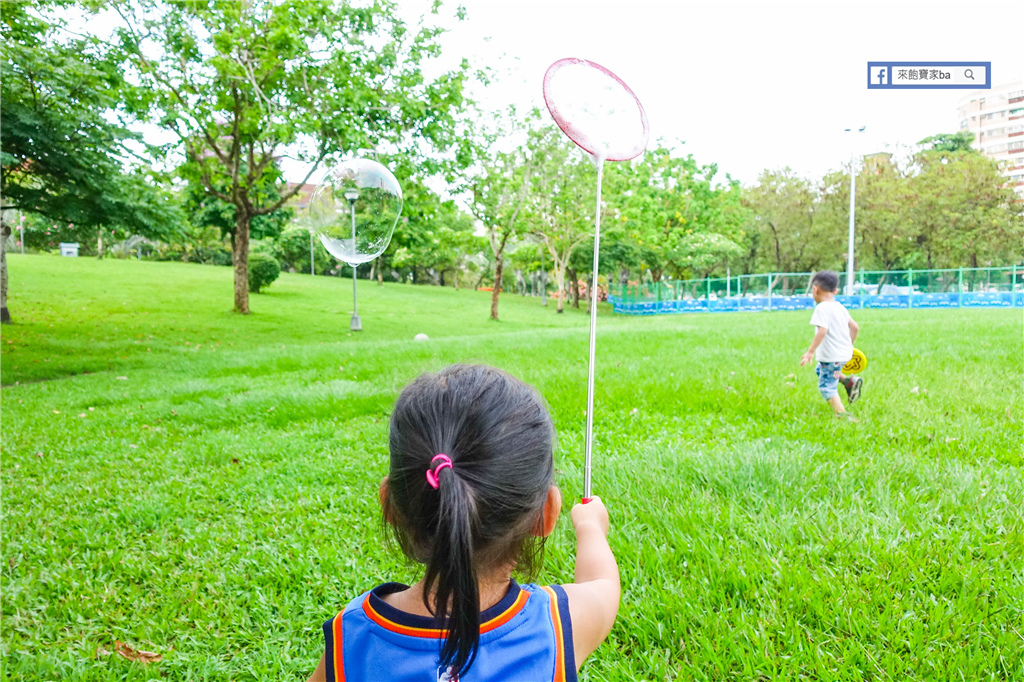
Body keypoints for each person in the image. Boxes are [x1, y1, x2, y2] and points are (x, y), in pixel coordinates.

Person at [306, 364, 620, 682]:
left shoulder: (351, 636)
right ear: (546, 514)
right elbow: (602, 585)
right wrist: (590, 527)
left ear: (390, 504)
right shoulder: (559, 626)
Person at [799, 271, 864, 416]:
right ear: (835, 291)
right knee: (820, 370)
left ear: (815, 289)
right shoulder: (839, 307)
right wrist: (849, 347)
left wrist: (810, 352)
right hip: (843, 355)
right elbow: (855, 328)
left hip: (831, 357)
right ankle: (849, 382)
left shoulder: (821, 308)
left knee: (826, 387)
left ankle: (842, 414)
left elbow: (822, 330)